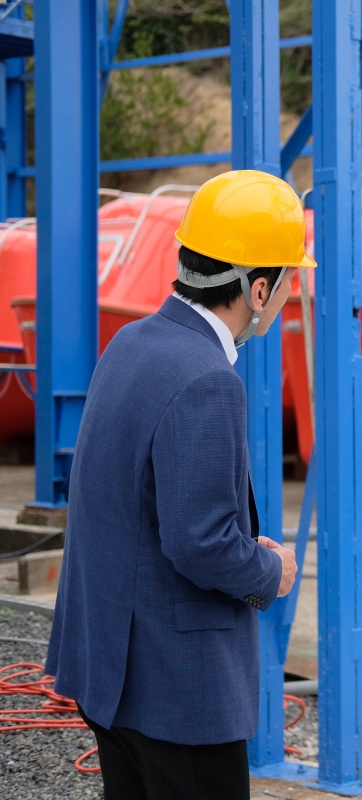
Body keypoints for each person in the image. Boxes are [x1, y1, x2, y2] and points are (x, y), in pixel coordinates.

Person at [45, 170, 314, 800]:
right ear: (257, 287)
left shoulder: (131, 342)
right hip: (176, 692)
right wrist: (265, 570)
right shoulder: (207, 378)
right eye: (289, 279)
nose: (289, 294)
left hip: (109, 672)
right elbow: (200, 543)